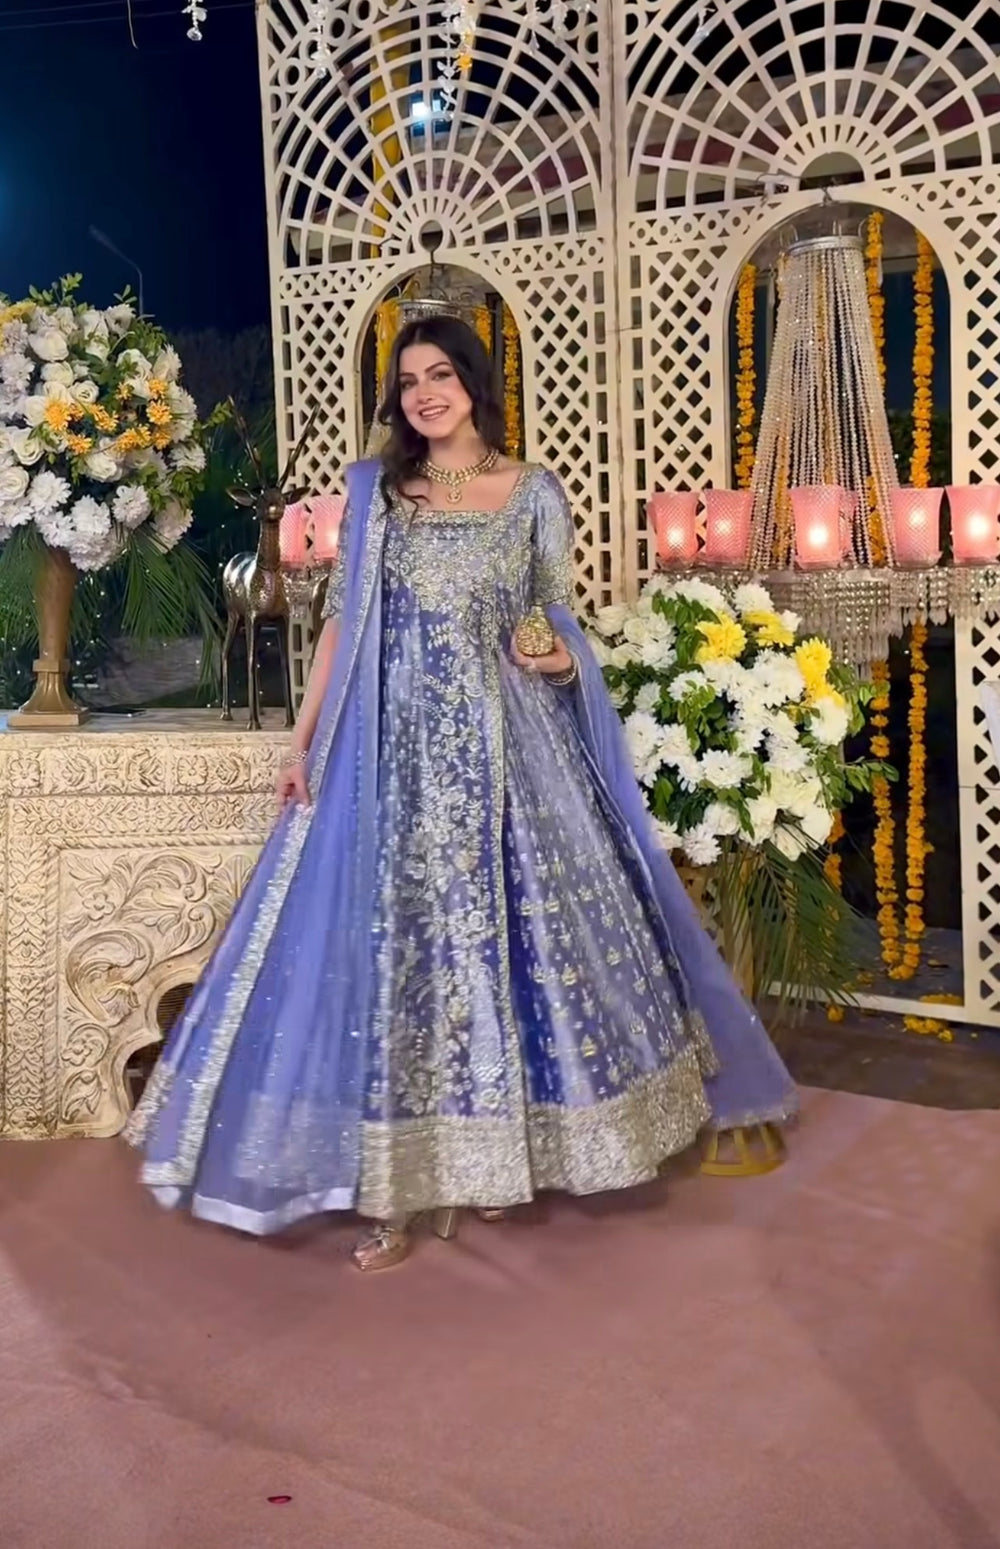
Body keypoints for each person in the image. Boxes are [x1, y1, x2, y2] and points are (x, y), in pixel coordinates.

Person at [130, 316, 796, 1270]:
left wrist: (558, 657)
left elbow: (553, 613)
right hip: (386, 753)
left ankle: (497, 1151)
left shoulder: (532, 492)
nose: (425, 394)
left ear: (476, 383)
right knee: (389, 954)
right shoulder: (377, 492)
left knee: (512, 946)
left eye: (440, 374)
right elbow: (340, 625)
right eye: (408, 382)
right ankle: (392, 1181)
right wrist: (303, 742)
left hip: (508, 753)